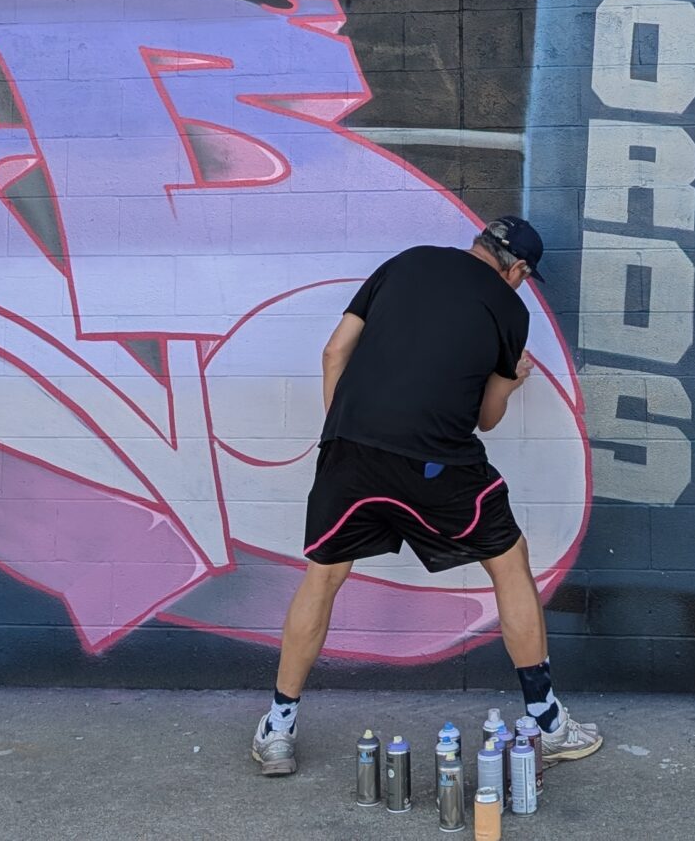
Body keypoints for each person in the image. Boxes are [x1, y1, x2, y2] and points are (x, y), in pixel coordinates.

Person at [252, 215, 602, 777]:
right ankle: (547, 722)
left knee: (324, 577)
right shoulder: (511, 310)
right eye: (523, 277)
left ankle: (278, 728)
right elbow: (485, 418)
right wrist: (511, 382)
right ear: (517, 269)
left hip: (350, 452)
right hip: (438, 463)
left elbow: (333, 352)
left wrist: (343, 434)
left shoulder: (406, 261)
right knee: (509, 562)